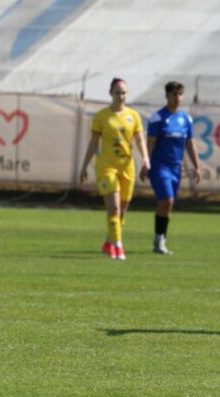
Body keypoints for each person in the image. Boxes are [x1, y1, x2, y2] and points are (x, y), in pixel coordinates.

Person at [79, 77, 150, 260]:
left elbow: (140, 140)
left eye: (124, 92)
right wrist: (84, 166)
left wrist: (146, 159)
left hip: (127, 167)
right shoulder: (102, 116)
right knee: (114, 209)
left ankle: (108, 242)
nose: (121, 96)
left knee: (122, 211)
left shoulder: (133, 116)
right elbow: (93, 143)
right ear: (110, 93)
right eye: (117, 92)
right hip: (106, 167)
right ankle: (118, 247)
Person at [141, 81, 201, 255]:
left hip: (176, 168)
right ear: (166, 96)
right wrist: (146, 163)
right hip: (159, 167)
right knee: (167, 200)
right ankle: (160, 241)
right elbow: (150, 143)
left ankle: (160, 240)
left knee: (167, 205)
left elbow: (190, 144)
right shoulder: (158, 118)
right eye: (174, 94)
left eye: (180, 94)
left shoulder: (186, 119)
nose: (177, 98)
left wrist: (197, 166)